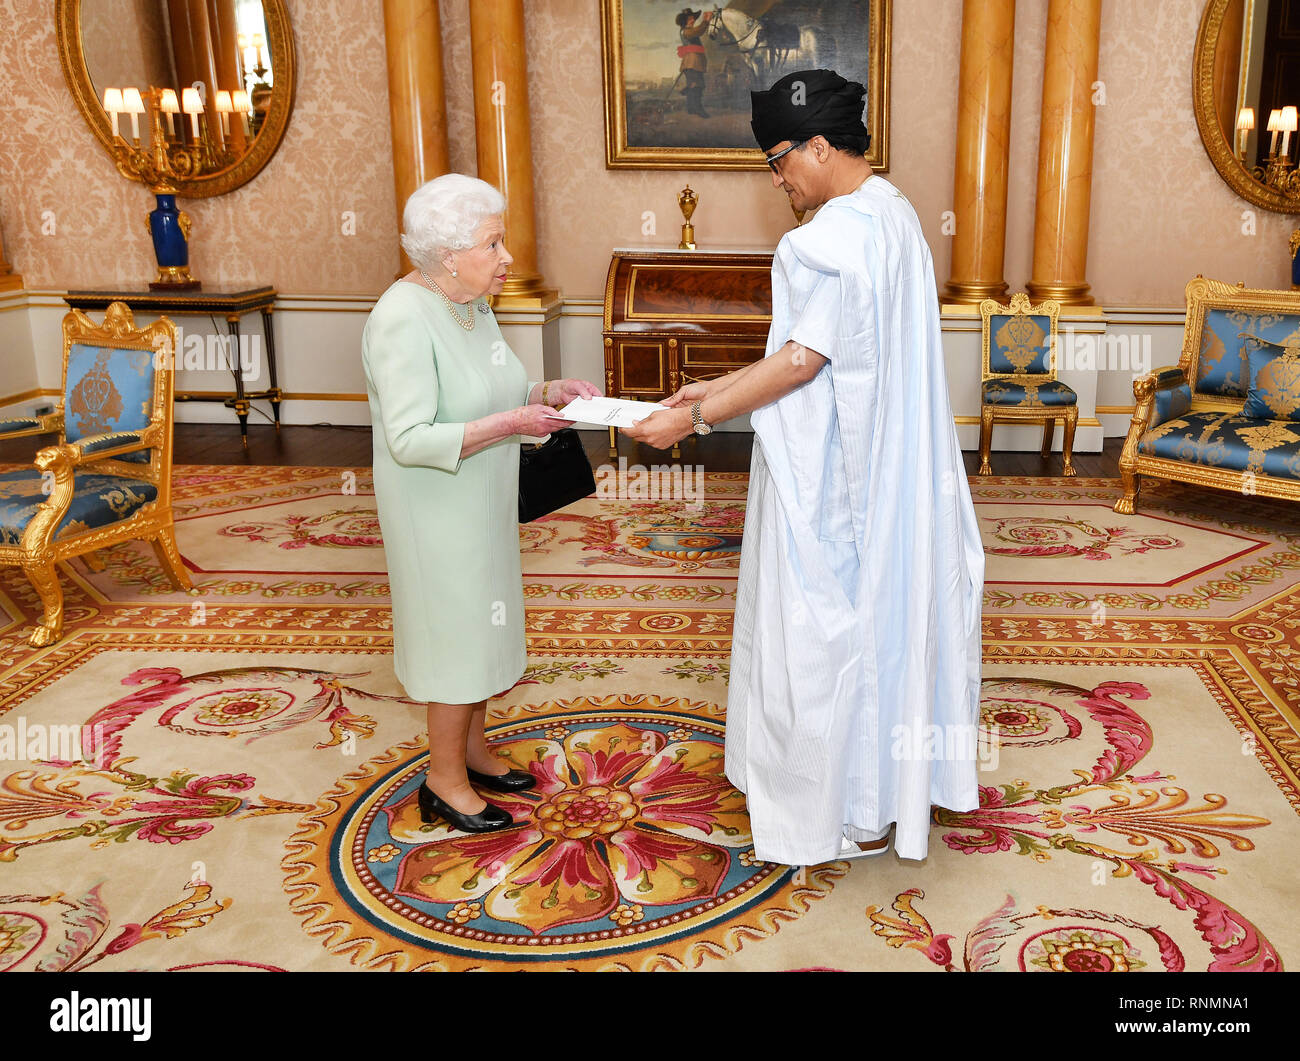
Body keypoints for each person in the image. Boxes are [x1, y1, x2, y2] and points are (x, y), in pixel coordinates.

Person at [623, 70, 984, 866]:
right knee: (885, 623)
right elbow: (822, 345)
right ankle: (879, 796)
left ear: (820, 147)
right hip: (891, 466)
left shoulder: (825, 237)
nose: (777, 176)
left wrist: (691, 417)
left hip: (832, 476)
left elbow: (800, 361)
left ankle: (838, 806)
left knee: (821, 631)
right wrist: (715, 384)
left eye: (779, 159)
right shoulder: (893, 215)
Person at [362, 174, 600, 834]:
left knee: (483, 624)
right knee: (452, 637)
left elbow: (501, 382)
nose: (508, 258)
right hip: (434, 509)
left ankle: (471, 751)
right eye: (493, 243)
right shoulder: (400, 318)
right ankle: (443, 782)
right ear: (445, 253)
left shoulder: (469, 303)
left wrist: (548, 390)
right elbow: (409, 437)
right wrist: (511, 425)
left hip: (481, 499)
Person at [676, 8, 713, 118]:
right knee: (697, 85)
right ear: (685, 21)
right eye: (690, 19)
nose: (692, 20)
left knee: (693, 85)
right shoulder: (687, 31)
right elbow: (699, 31)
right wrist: (706, 21)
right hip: (692, 62)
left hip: (694, 62)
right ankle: (698, 109)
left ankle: (690, 108)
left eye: (693, 18)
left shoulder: (689, 30)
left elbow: (697, 31)